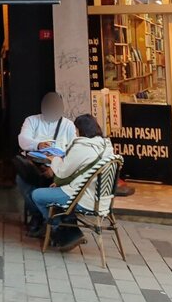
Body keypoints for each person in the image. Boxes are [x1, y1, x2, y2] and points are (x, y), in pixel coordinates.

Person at [29, 113, 115, 252]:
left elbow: (62, 172)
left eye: (76, 130)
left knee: (37, 195)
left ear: (81, 130)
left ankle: (59, 229)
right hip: (103, 201)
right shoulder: (107, 146)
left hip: (82, 198)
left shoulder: (82, 146)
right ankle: (68, 228)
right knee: (56, 191)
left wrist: (54, 159)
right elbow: (84, 172)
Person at [15, 92, 76, 234]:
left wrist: (55, 167)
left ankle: (49, 218)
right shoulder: (32, 120)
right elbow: (23, 140)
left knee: (55, 185)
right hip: (35, 166)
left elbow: (72, 150)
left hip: (57, 169)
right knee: (22, 181)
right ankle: (36, 215)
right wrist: (38, 144)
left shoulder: (68, 125)